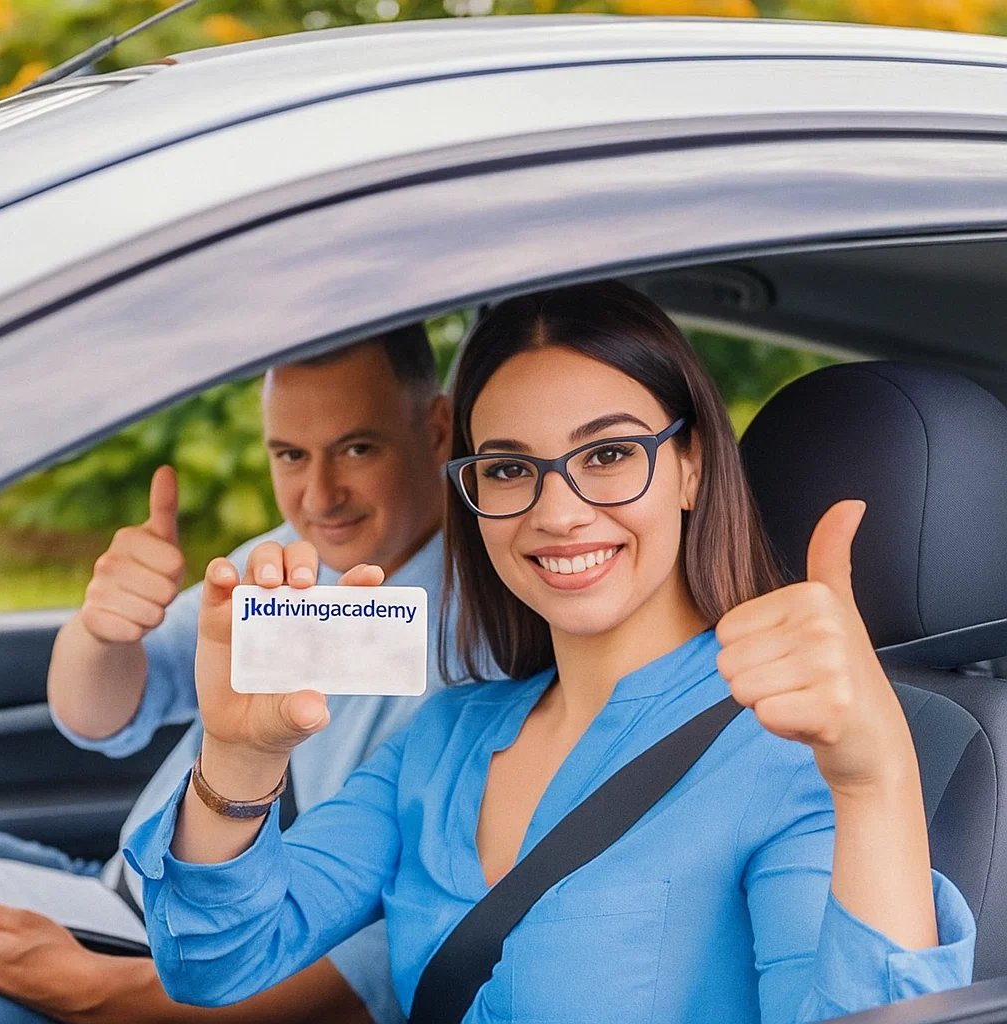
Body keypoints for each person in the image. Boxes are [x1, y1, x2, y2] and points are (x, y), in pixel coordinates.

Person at [125, 282, 975, 1023]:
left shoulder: (792, 754)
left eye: (608, 454)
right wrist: (237, 760)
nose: (557, 512)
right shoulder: (443, 740)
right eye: (507, 469)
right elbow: (216, 965)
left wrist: (876, 780)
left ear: (690, 467)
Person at [0, 326, 455, 1024]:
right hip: (116, 901)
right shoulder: (286, 555)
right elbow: (99, 715)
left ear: (437, 428)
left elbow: (391, 958)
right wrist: (103, 631)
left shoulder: (485, 640)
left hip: (180, 984)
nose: (320, 495)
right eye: (290, 455)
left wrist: (93, 991)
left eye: (357, 448)